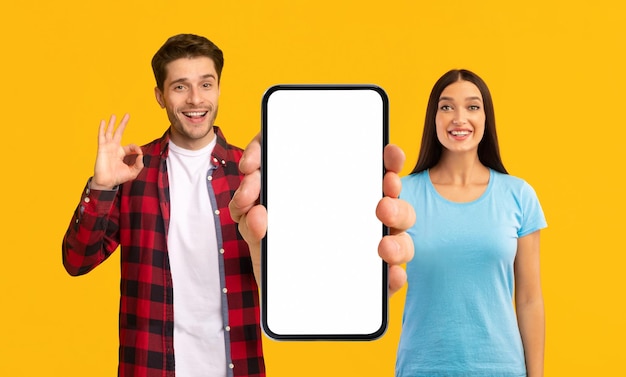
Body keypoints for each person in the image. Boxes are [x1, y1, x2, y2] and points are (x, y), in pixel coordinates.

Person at [63, 33, 416, 377]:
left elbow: (303, 261)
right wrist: (101, 186)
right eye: (180, 86)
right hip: (150, 366)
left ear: (218, 88)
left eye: (206, 84)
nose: (195, 99)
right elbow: (76, 261)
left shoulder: (255, 176)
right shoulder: (132, 172)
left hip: (238, 365)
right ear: (160, 96)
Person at [395, 69, 547, 377]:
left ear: (485, 117)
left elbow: (530, 299)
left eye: (472, 106)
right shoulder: (401, 195)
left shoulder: (518, 195)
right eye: (447, 106)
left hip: (502, 368)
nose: (459, 118)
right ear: (433, 118)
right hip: (422, 368)